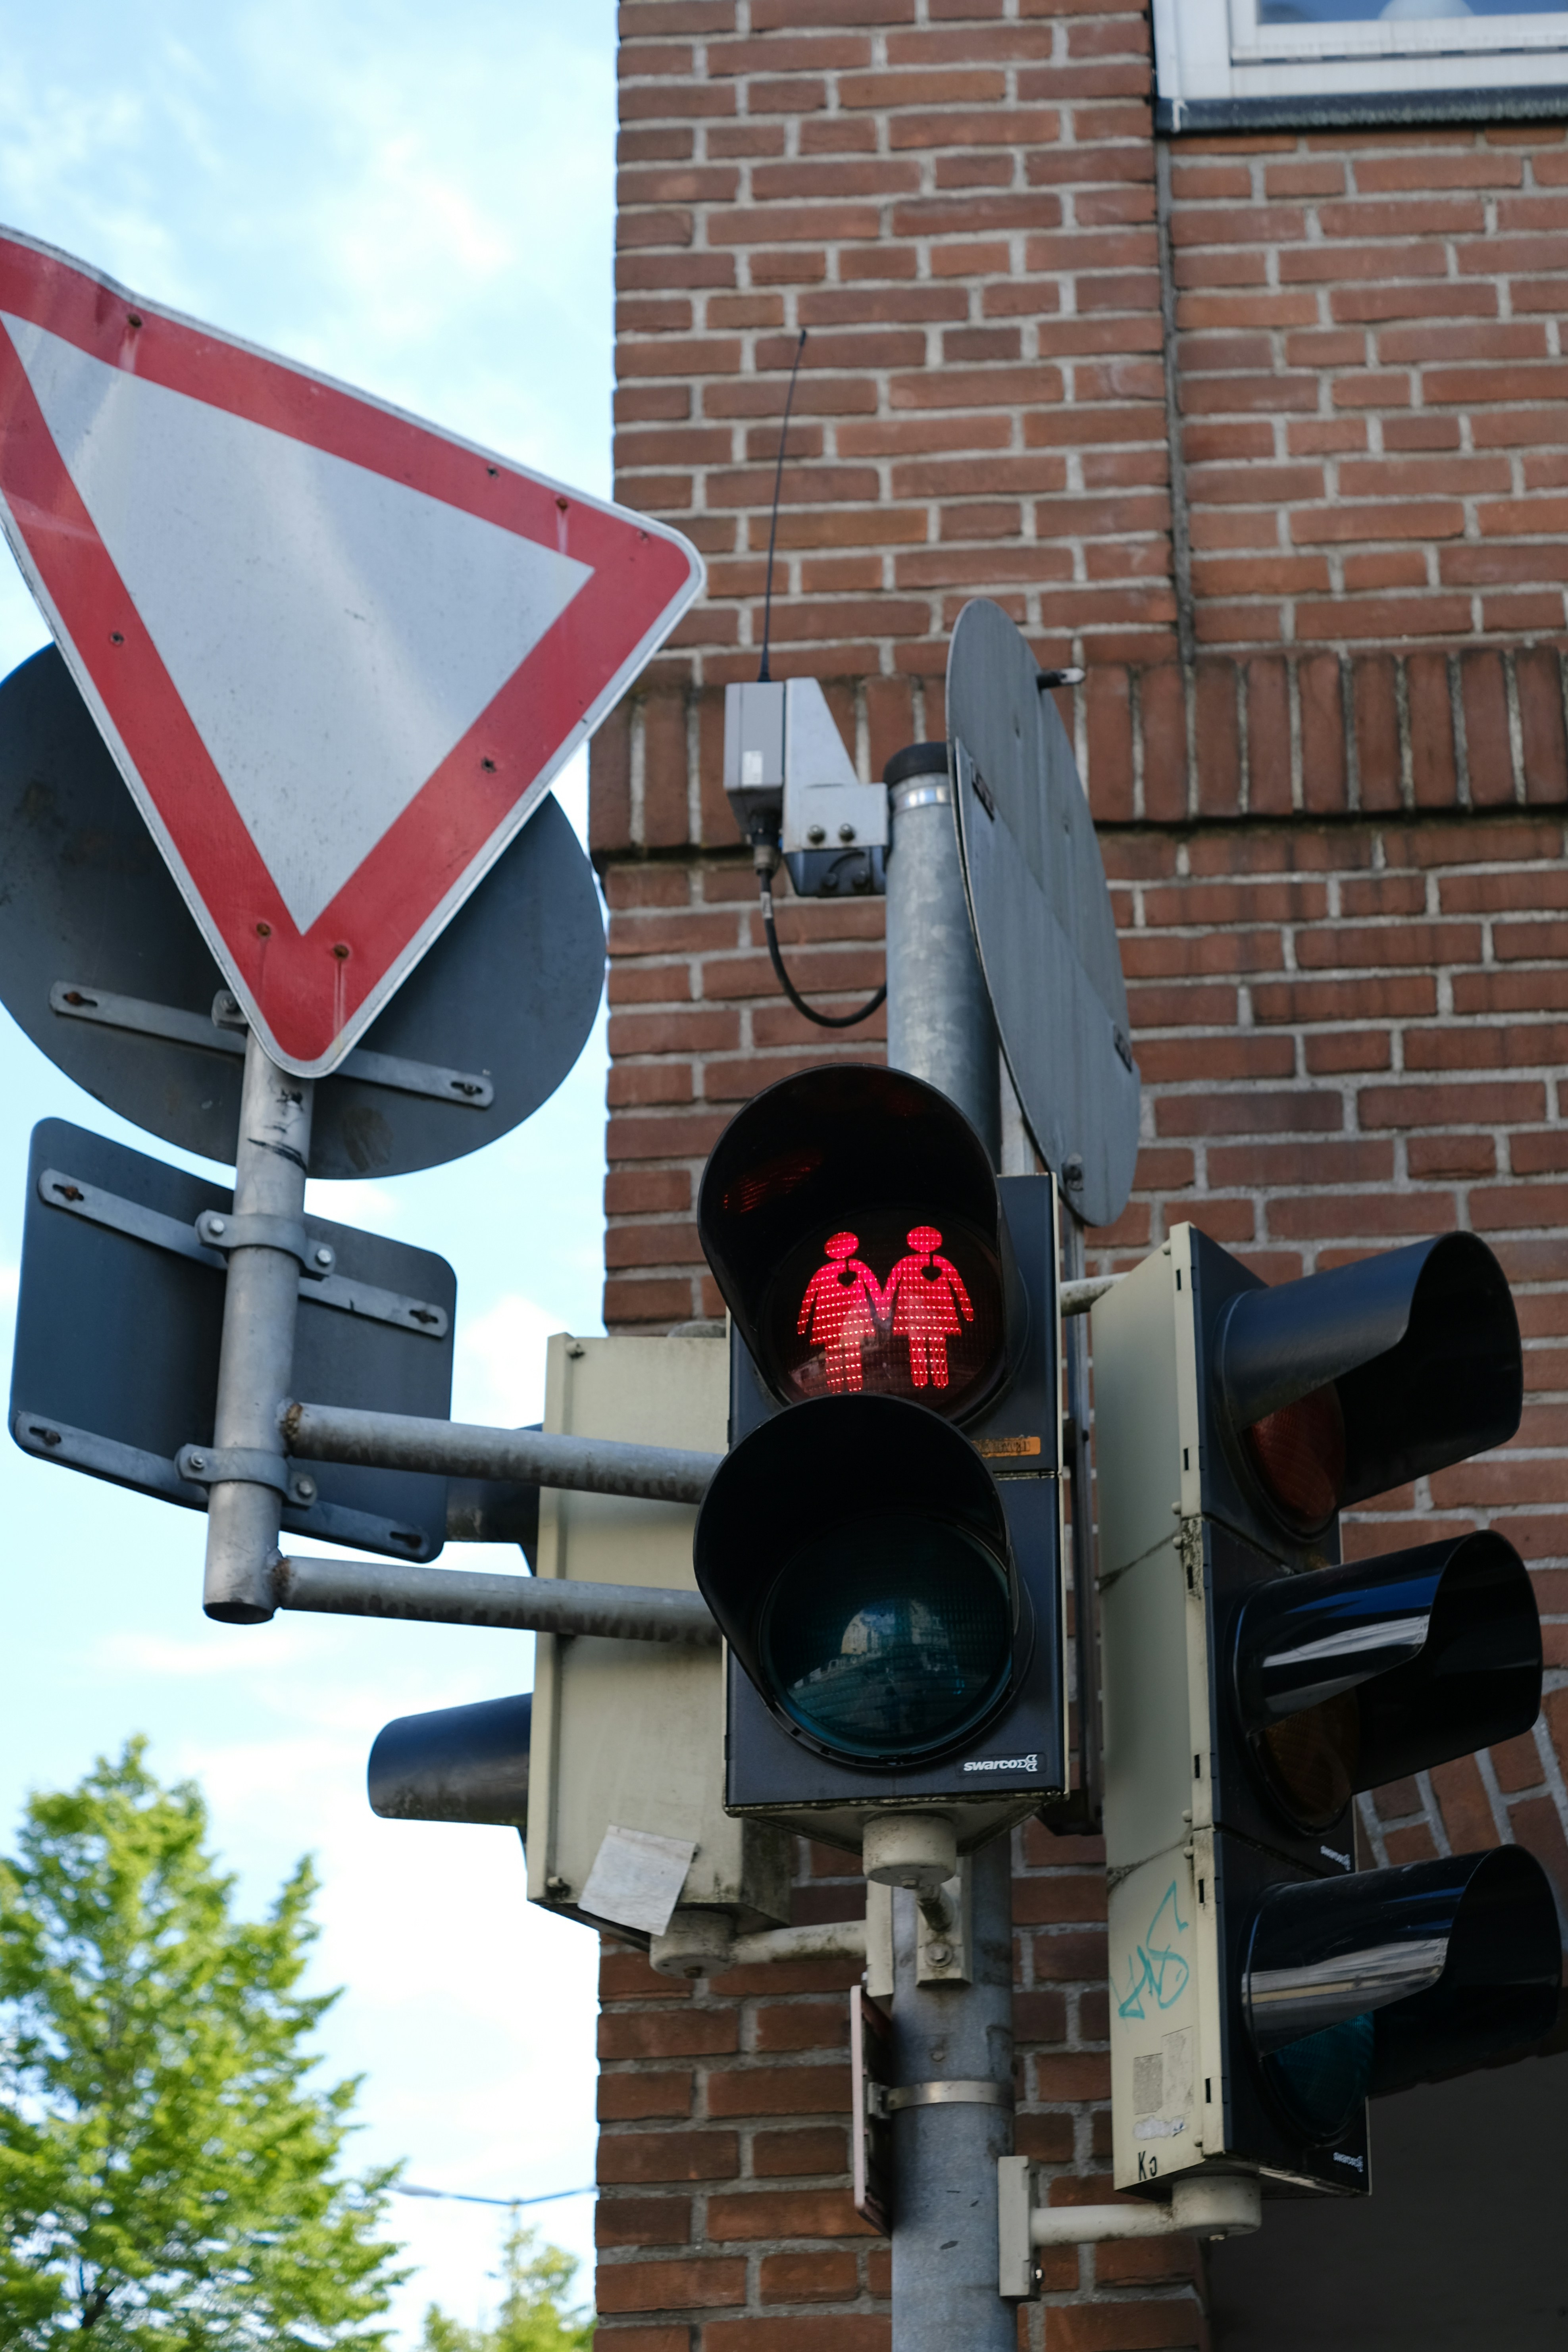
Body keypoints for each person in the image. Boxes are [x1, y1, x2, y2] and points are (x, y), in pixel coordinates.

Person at [883, 1224, 973, 1390]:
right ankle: (939, 1381)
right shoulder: (942, 1262)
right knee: (936, 1347)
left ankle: (921, 1381)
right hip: (937, 1314)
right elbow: (959, 1287)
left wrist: (884, 1308)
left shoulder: (906, 1263)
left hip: (915, 1315)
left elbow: (891, 1286)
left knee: (918, 1349)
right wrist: (967, 1311)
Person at [796, 1230, 881, 1393]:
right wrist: (882, 1310)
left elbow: (809, 1299)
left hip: (832, 1321)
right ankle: (853, 1388)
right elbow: (874, 1288)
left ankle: (838, 1389)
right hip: (851, 1320)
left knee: (837, 1355)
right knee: (851, 1353)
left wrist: (803, 1323)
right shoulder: (858, 1267)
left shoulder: (824, 1272)